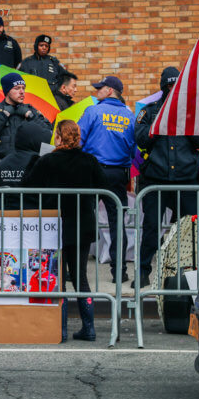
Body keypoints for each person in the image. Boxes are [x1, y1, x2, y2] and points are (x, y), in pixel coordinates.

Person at [23, 120, 107, 342]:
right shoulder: (89, 160)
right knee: (80, 277)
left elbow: (28, 185)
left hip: (55, 224)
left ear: (59, 137)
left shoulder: (47, 161)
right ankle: (88, 328)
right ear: (78, 137)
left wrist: (34, 161)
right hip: (82, 223)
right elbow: (104, 184)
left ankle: (59, 329)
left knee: (57, 276)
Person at [134, 66, 199, 288]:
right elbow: (140, 138)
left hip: (187, 180)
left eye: (175, 86)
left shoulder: (192, 112)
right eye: (168, 86)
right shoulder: (149, 111)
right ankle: (143, 271)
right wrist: (159, 124)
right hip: (156, 181)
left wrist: (185, 122)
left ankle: (195, 273)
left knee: (192, 230)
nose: (172, 89)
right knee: (150, 229)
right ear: (163, 87)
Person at [78, 76, 136, 283]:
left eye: (100, 89)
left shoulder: (93, 111)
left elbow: (77, 139)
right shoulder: (129, 115)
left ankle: (77, 270)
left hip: (92, 171)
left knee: (83, 220)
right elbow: (132, 147)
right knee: (117, 223)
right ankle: (119, 271)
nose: (96, 92)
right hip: (117, 174)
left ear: (110, 91)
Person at [0, 72, 52, 208]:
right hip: (1, 171)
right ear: (7, 91)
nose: (22, 92)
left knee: (30, 212)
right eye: (17, 89)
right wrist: (4, 115)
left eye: (23, 88)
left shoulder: (30, 110)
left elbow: (48, 134)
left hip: (29, 171)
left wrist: (30, 116)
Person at [0, 121, 52, 210]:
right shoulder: (39, 160)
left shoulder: (4, 162)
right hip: (37, 216)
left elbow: (0, 189)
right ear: (35, 138)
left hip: (10, 216)